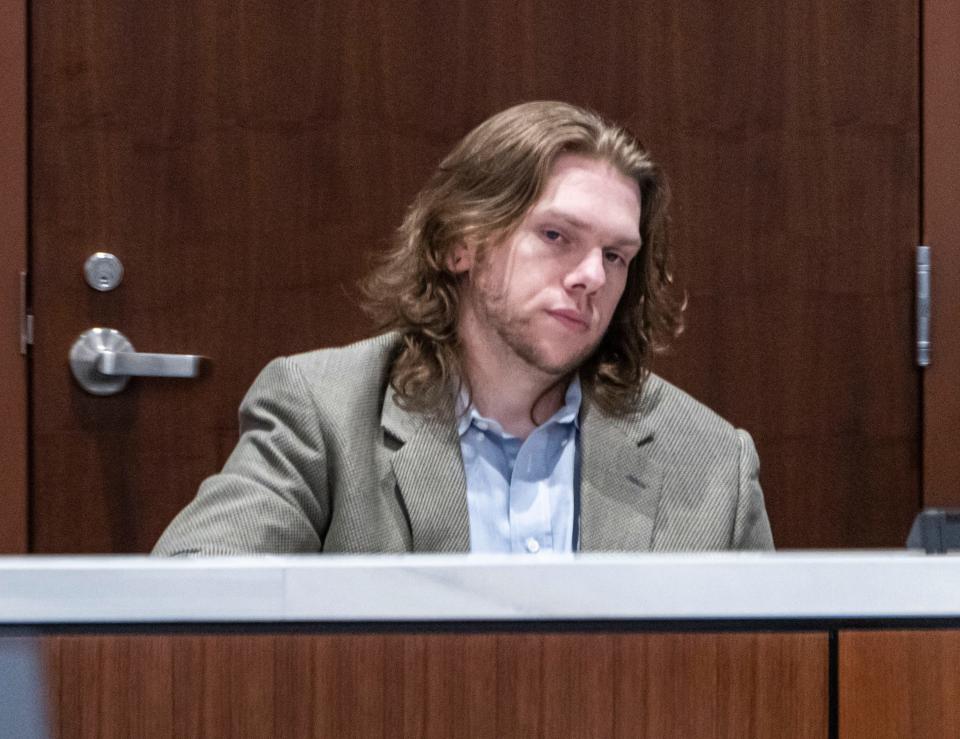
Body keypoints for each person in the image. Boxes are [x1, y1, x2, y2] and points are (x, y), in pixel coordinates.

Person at [154, 101, 773, 556]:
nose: (591, 275)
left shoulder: (712, 463)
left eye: (616, 255)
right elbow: (190, 599)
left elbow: (768, 685)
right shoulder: (322, 413)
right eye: (556, 236)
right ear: (460, 244)